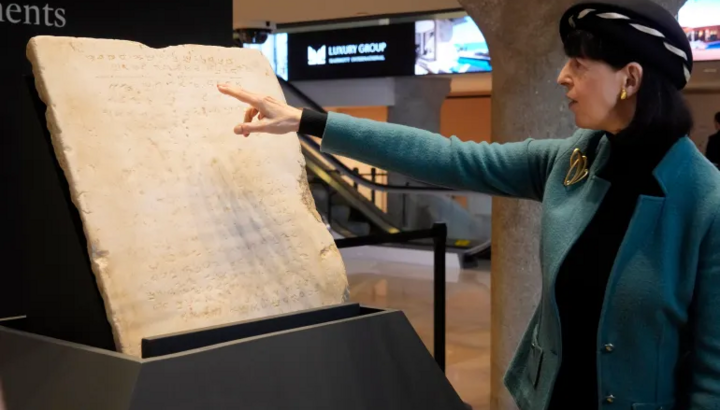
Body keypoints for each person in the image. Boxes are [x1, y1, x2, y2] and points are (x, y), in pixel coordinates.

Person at [218, 0, 720, 408]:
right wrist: (311, 122)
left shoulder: (705, 202)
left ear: (629, 79)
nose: (561, 77)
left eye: (579, 65)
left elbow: (711, 373)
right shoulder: (575, 159)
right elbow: (449, 157)